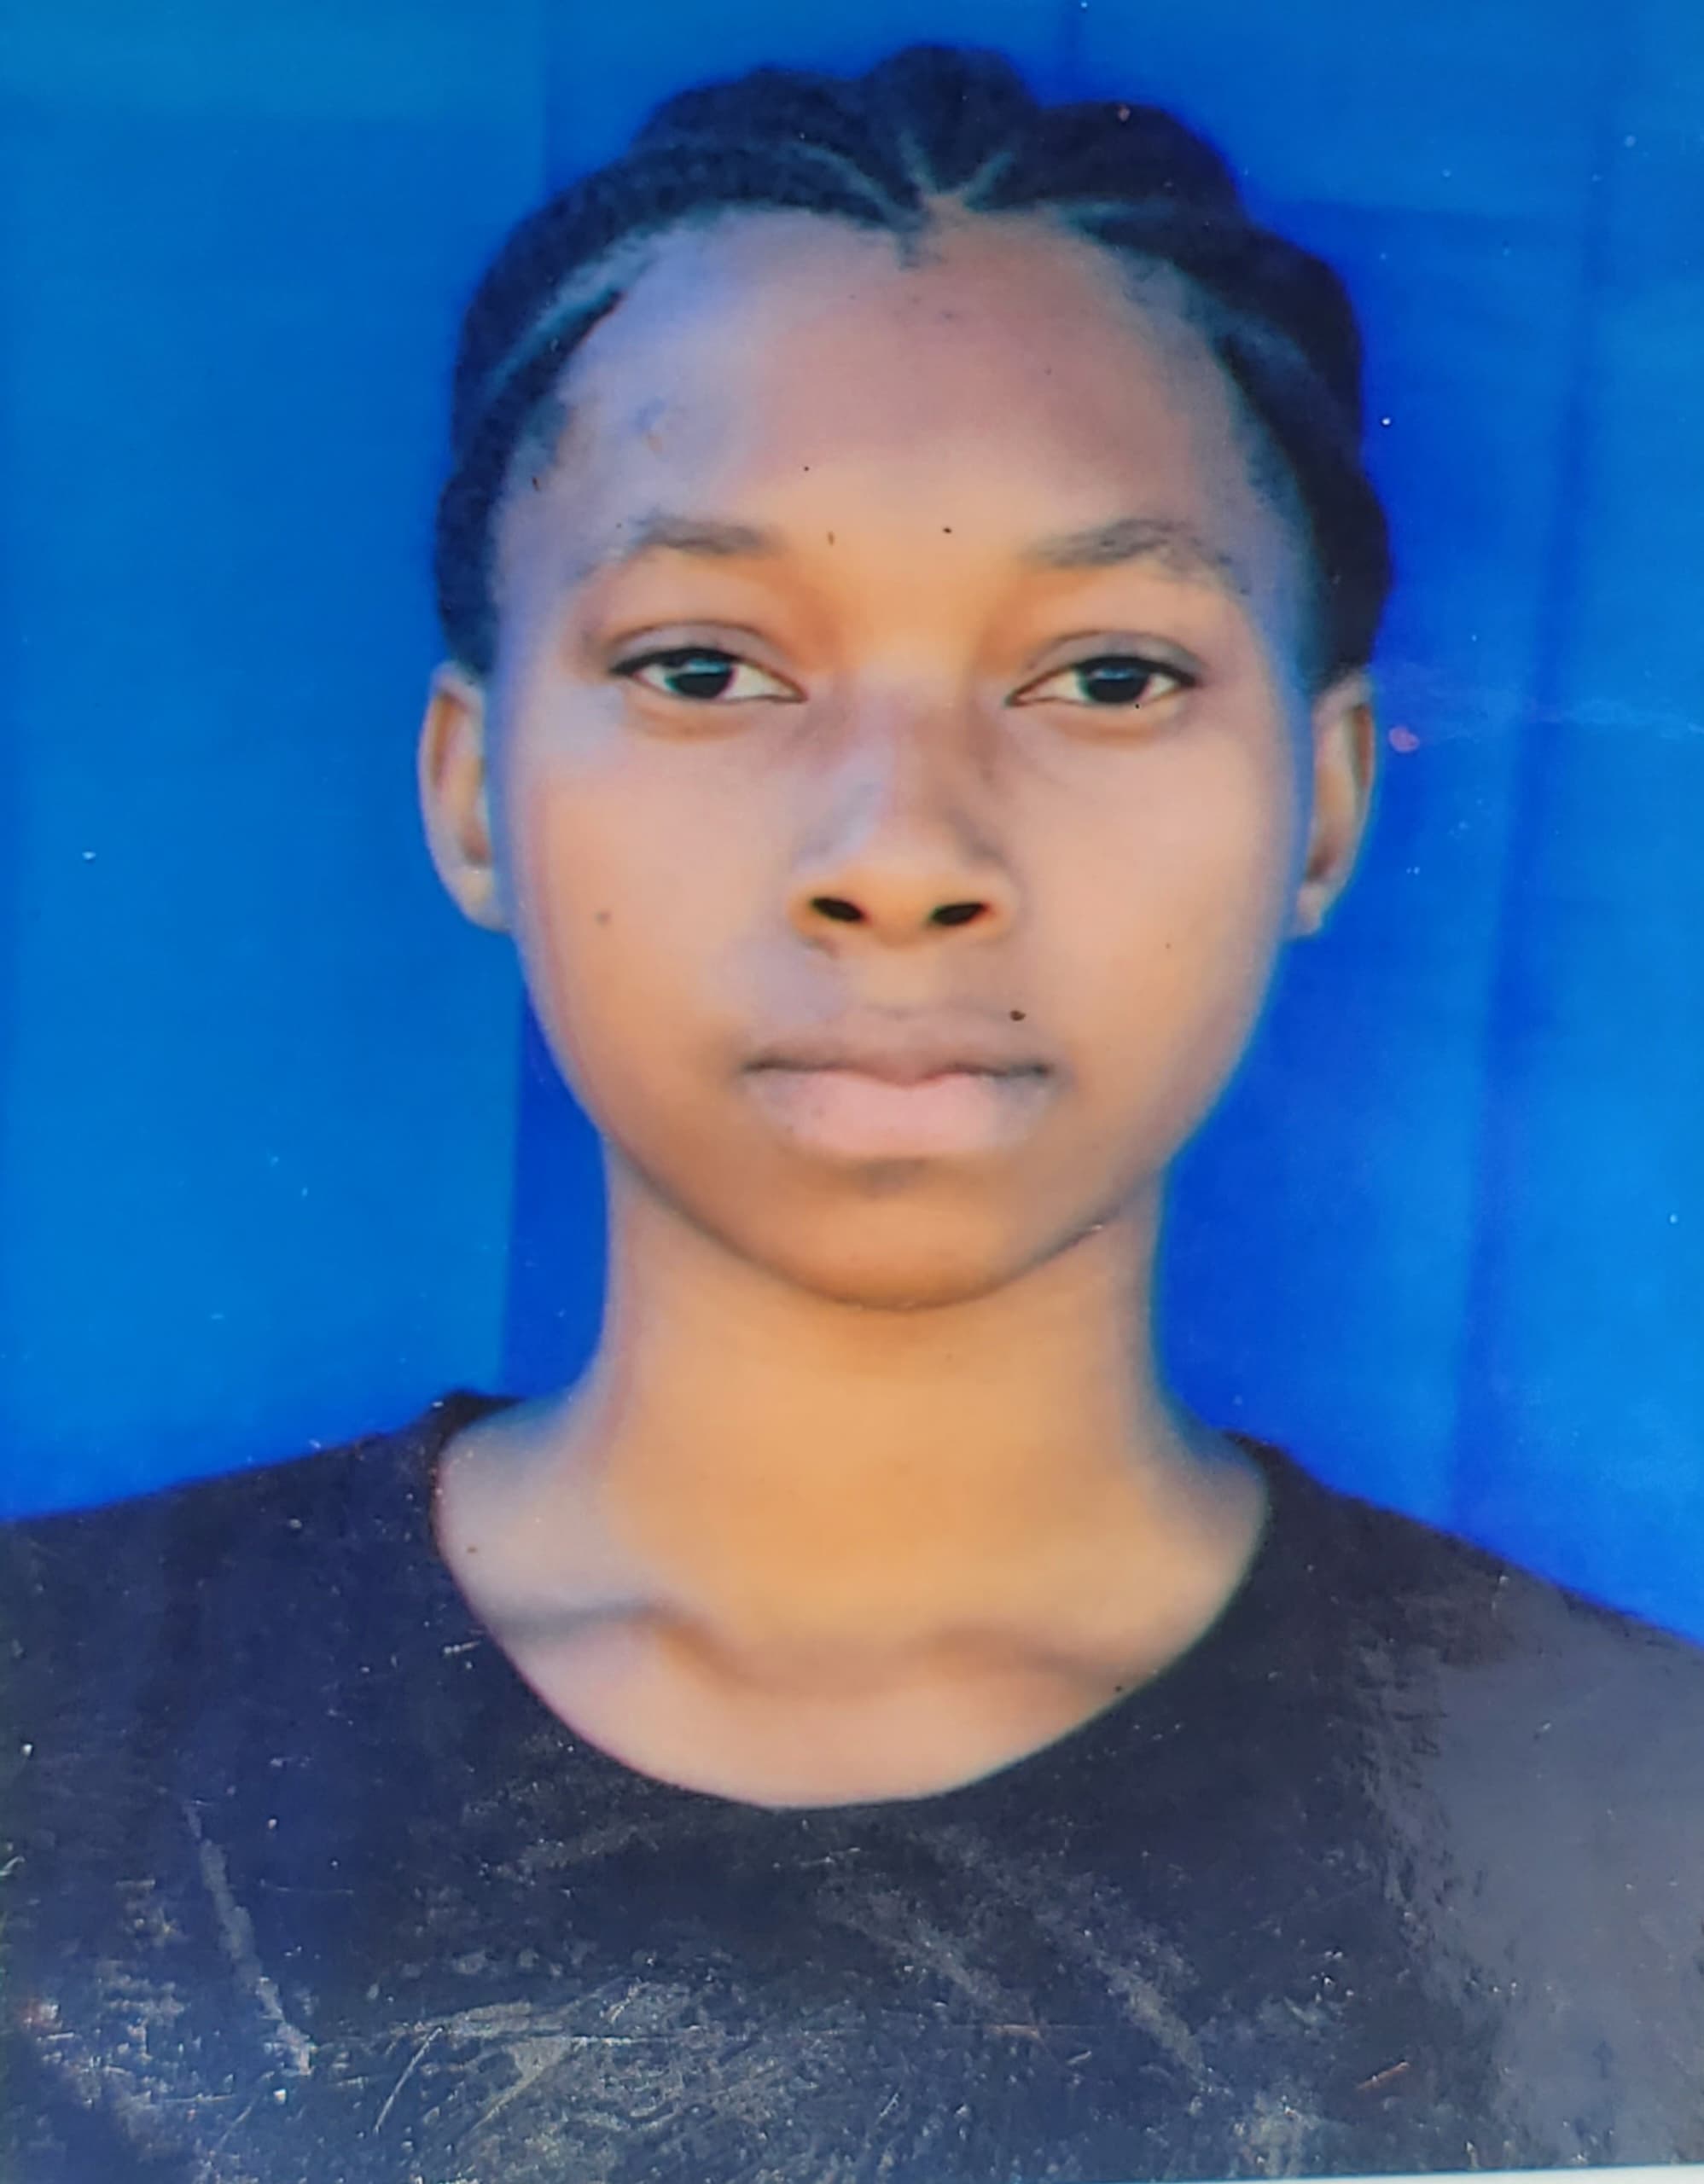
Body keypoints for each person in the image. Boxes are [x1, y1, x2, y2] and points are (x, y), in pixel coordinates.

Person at [3, 42, 1701, 2184]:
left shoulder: (1651, 1841)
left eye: (1108, 674)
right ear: (473, 791)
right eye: (707, 666)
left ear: (1329, 802)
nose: (901, 853)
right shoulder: (46, 1737)